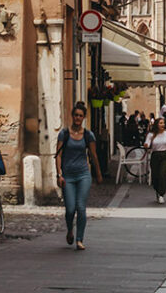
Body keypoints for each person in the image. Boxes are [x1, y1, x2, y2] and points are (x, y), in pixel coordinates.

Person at [55, 101, 103, 251]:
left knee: (81, 207)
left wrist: (99, 174)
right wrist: (59, 174)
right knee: (70, 209)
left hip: (83, 175)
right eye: (76, 115)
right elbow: (58, 155)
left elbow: (94, 155)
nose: (77, 118)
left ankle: (79, 239)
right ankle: (70, 230)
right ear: (72, 116)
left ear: (84, 118)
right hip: (68, 176)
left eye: (80, 116)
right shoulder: (64, 133)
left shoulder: (88, 135)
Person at [145, 116, 166, 204]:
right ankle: (157, 191)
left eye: (163, 123)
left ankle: (161, 194)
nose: (163, 125)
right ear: (157, 125)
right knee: (156, 176)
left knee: (163, 174)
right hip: (155, 156)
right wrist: (146, 145)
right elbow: (147, 143)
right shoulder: (151, 134)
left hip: (165, 156)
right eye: (161, 123)